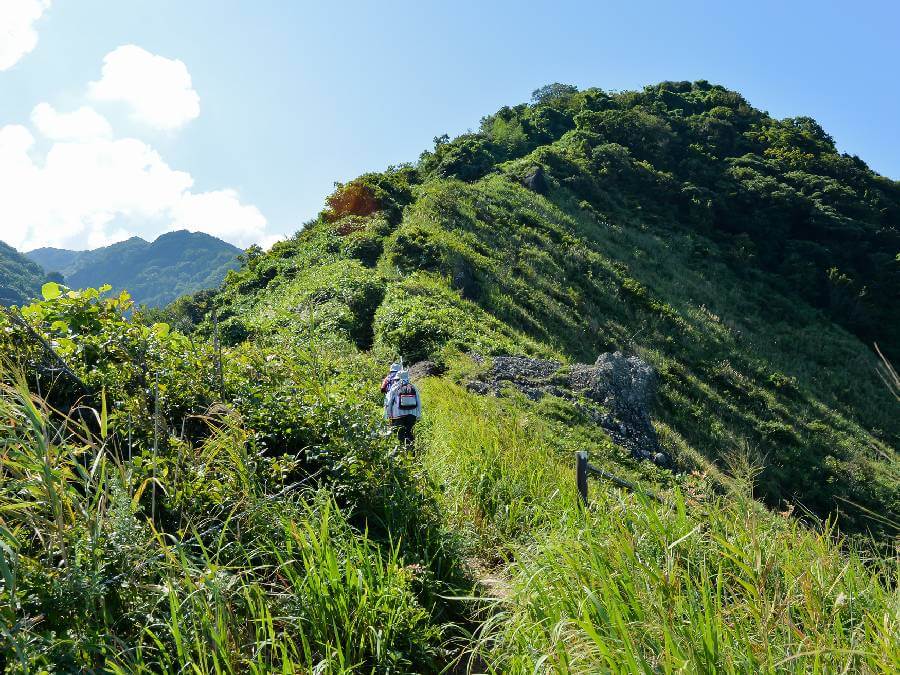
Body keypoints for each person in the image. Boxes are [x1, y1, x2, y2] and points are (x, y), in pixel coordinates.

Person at [384, 370, 421, 445]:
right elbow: (419, 402)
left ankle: (402, 452)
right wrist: (418, 415)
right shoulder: (413, 387)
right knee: (410, 433)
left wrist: (388, 415)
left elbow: (389, 402)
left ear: (397, 378)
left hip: (397, 415)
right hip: (412, 415)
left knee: (399, 435)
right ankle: (412, 452)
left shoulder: (394, 387)